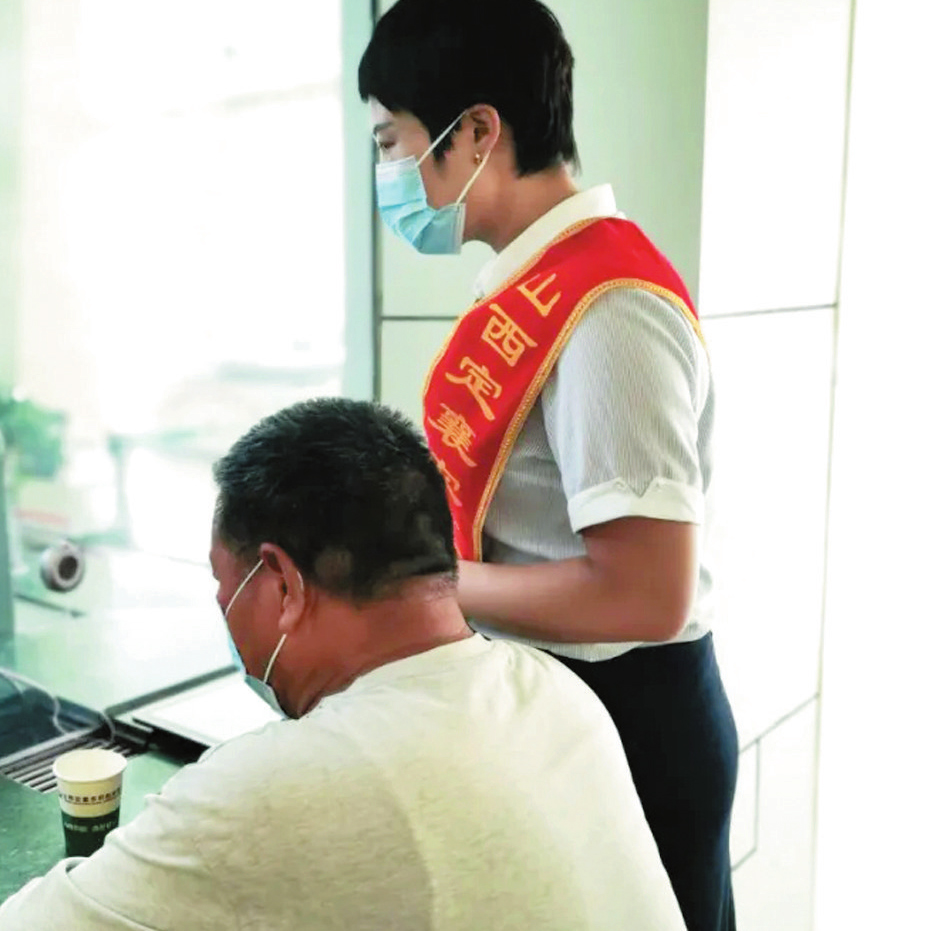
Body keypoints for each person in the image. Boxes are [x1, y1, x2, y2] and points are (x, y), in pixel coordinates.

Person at [0, 398, 684, 931]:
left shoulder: (277, 786)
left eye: (223, 584)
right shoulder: (558, 692)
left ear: (283, 584)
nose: (222, 608)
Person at [359, 2, 738, 929]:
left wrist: (424, 584)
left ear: (475, 132)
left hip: (628, 717)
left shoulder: (608, 310)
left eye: (390, 142)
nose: (386, 173)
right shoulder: (536, 280)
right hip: (567, 701)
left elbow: (643, 593)